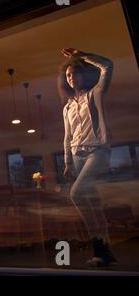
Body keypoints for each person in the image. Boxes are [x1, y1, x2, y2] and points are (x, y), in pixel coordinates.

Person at [58, 48, 118, 267]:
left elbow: (108, 65)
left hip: (97, 152)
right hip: (76, 156)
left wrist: (81, 54)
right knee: (93, 206)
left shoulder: (96, 93)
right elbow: (67, 137)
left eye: (75, 73)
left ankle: (100, 246)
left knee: (76, 193)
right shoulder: (67, 108)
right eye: (68, 75)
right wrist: (66, 163)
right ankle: (103, 252)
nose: (72, 77)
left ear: (84, 74)